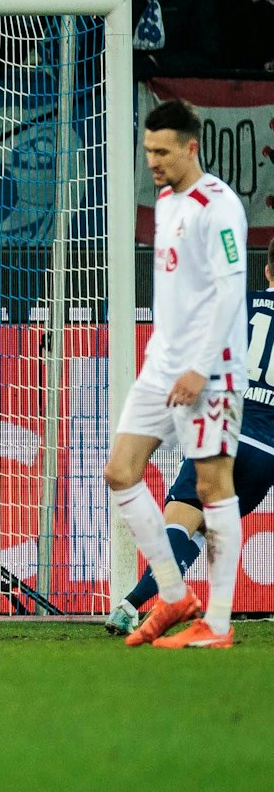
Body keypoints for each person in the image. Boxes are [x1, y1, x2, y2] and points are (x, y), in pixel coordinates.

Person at [105, 100, 247, 650]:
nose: (153, 162)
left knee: (213, 487)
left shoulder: (220, 207)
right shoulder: (165, 202)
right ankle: (171, 593)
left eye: (162, 152)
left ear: (191, 147)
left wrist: (199, 366)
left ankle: (217, 621)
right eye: (148, 152)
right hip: (161, 365)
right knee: (120, 471)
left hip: (210, 371)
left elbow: (230, 291)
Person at [109, 239, 274, 635]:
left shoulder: (238, 305)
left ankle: (137, 605)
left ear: (266, 270)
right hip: (267, 451)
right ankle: (140, 605)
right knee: (201, 531)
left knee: (181, 521)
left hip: (225, 433)